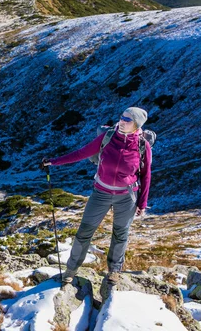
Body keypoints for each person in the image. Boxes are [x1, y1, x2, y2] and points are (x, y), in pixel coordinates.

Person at [41, 107, 151, 288]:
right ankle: (71, 270)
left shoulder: (142, 145)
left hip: (127, 196)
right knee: (84, 232)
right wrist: (53, 161)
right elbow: (81, 153)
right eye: (122, 116)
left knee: (120, 234)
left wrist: (142, 202)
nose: (122, 121)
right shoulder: (108, 137)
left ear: (136, 124)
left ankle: (114, 270)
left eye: (128, 119)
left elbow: (146, 175)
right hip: (101, 193)